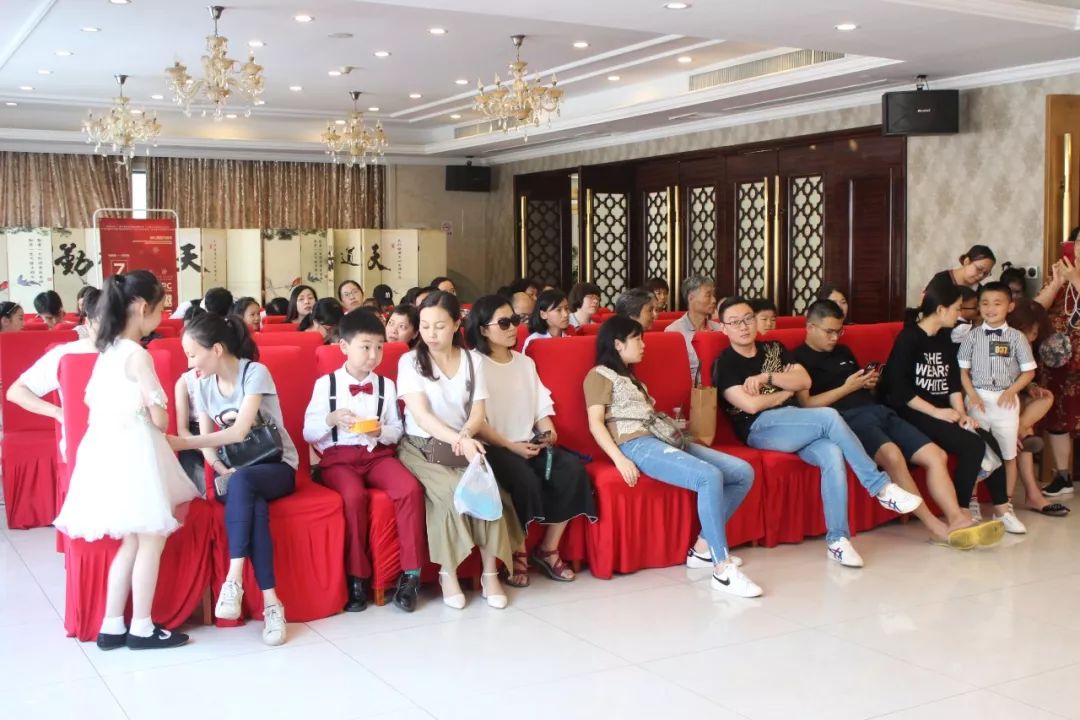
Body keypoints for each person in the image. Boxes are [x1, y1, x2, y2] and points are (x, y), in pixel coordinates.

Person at [714, 296, 923, 568]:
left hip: (796, 421)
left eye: (747, 319)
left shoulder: (774, 348)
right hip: (761, 428)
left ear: (755, 321)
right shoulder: (725, 363)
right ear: (723, 328)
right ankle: (879, 487)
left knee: (832, 453)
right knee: (828, 416)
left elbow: (804, 380)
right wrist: (785, 392)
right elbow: (750, 406)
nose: (743, 326)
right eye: (734, 322)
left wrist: (767, 378)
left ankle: (838, 540)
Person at [55, 271, 198, 650]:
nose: (163, 315)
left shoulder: (108, 351)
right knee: (151, 540)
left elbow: (91, 402)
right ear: (142, 307)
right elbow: (160, 418)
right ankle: (142, 627)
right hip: (136, 453)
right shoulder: (137, 355)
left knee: (131, 543)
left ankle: (112, 624)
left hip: (106, 452)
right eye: (162, 308)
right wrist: (156, 412)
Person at [794, 299, 1002, 548]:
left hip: (879, 410)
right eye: (829, 331)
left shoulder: (843, 351)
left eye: (839, 331)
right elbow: (807, 405)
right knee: (893, 456)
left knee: (936, 455)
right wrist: (846, 388)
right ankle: (934, 527)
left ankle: (957, 518)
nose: (834, 337)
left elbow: (863, 388)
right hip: (848, 420)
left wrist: (869, 383)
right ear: (810, 327)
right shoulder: (798, 359)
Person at [586, 315, 761, 596]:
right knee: (708, 477)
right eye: (637, 339)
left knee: (743, 472)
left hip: (664, 437)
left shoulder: (632, 378)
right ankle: (722, 568)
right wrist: (620, 459)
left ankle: (702, 548)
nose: (643, 344)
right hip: (637, 444)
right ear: (618, 344)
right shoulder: (599, 375)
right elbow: (595, 423)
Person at [171, 313, 299, 646]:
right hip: (237, 473)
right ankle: (272, 604)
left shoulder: (255, 373)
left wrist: (181, 443)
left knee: (244, 484)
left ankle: (234, 577)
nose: (189, 364)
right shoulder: (200, 384)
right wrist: (218, 466)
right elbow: (208, 440)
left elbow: (239, 430)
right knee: (249, 496)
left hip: (277, 466)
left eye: (192, 355)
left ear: (216, 349)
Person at [467, 295, 597, 586]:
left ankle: (548, 549)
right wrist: (511, 446)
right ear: (483, 329)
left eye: (514, 320)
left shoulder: (525, 363)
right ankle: (518, 552)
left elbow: (541, 408)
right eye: (504, 323)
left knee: (572, 469)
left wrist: (548, 432)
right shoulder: (473, 364)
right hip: (495, 446)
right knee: (523, 478)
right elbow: (477, 421)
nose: (513, 327)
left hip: (529, 442)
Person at [396, 291, 514, 609]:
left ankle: (490, 574)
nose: (431, 334)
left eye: (439, 326)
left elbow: (477, 412)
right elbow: (422, 416)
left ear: (456, 325)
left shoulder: (473, 361)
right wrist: (458, 440)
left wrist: (465, 436)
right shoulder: (409, 362)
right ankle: (448, 574)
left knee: (488, 491)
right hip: (421, 446)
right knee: (451, 493)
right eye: (424, 326)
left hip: (463, 442)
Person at [304, 309, 425, 613]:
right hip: (339, 458)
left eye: (379, 347)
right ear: (344, 347)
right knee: (353, 496)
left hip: (377, 455)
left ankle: (411, 575)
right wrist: (331, 419)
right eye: (366, 347)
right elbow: (308, 432)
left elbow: (397, 430)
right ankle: (357, 577)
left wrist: (380, 431)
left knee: (410, 489)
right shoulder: (326, 384)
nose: (373, 355)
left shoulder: (386, 386)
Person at [879, 283, 1015, 537]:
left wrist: (962, 415)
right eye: (956, 308)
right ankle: (961, 512)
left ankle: (1002, 509)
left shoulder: (945, 337)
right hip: (911, 411)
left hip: (942, 410)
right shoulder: (909, 337)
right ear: (941, 309)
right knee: (971, 445)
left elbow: (953, 384)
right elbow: (899, 390)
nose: (959, 314)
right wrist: (936, 412)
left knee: (988, 439)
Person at [958, 281, 1036, 534]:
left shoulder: (1017, 338)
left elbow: (1029, 371)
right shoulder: (971, 336)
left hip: (1006, 401)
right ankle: (972, 503)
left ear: (1010, 307)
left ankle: (1005, 507)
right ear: (979, 307)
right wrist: (972, 395)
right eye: (985, 303)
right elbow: (963, 372)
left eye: (997, 303)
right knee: (976, 451)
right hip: (978, 399)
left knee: (1007, 454)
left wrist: (1012, 390)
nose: (990, 309)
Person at [6, 289, 101, 467]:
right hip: (83, 448)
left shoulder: (134, 354)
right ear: (88, 323)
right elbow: (16, 392)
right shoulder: (67, 353)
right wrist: (59, 413)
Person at [1007, 299, 1067, 515]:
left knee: (1046, 398)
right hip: (993, 401)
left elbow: (1021, 377)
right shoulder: (997, 343)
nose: (1032, 338)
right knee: (1026, 431)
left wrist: (1031, 387)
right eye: (1030, 333)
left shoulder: (1024, 346)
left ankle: (1019, 429)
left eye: (1035, 334)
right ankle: (1033, 495)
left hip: (1012, 399)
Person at [1033, 235, 1080, 496]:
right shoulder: (1060, 273)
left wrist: (1076, 279)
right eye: (1079, 242)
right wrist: (1057, 283)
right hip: (1058, 360)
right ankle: (1063, 477)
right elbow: (1036, 309)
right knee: (1057, 417)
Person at [666, 275, 721, 384]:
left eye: (713, 295)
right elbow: (673, 373)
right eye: (708, 295)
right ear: (691, 298)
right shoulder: (674, 332)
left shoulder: (719, 329)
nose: (714, 300)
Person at [924, 244, 996, 297]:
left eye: (986, 273)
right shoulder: (941, 280)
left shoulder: (981, 292)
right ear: (966, 261)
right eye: (979, 269)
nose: (981, 276)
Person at [522, 289, 574, 353]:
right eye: (558, 310)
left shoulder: (571, 338)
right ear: (543, 314)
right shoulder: (534, 341)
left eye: (566, 308)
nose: (566, 314)